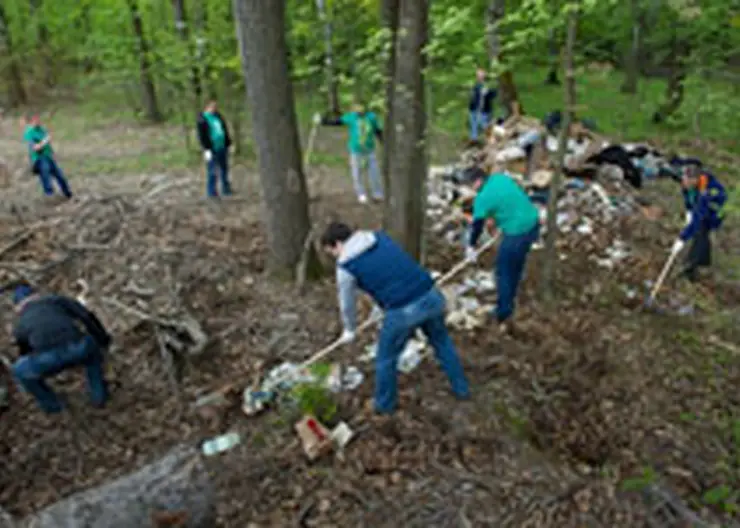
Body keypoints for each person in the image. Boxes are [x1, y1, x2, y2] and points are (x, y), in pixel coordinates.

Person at [320, 222, 470, 415]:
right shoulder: (378, 237)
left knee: (385, 358)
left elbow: (346, 303)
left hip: (403, 309)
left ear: (337, 244)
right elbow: (392, 269)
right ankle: (462, 388)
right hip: (430, 294)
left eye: (331, 252)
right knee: (441, 342)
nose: (334, 257)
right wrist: (379, 306)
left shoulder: (346, 266)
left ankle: (384, 407)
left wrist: (349, 328)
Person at [10, 284, 112, 414]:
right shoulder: (56, 300)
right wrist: (103, 339)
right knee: (92, 353)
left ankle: (53, 406)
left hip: (48, 359)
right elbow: (86, 316)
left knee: (20, 370)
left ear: (18, 307)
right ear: (37, 295)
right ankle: (99, 395)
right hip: (77, 348)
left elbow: (24, 350)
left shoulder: (21, 323)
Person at [464, 167, 540, 333]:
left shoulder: (482, 199)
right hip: (533, 222)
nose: (471, 188)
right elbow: (509, 200)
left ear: (477, 181)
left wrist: (471, 246)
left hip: (517, 232)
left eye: (471, 184)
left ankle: (503, 312)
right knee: (516, 265)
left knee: (503, 271)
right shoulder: (500, 178)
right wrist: (499, 219)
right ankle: (511, 297)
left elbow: (477, 226)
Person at [315, 101, 383, 204]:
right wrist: (322, 121)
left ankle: (377, 193)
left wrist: (383, 141)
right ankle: (361, 193)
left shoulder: (371, 117)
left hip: (369, 150)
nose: (359, 111)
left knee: (374, 172)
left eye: (361, 109)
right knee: (357, 172)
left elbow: (377, 130)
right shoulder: (351, 117)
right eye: (356, 109)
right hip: (356, 150)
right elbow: (337, 122)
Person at [671, 161, 727, 282]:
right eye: (683, 180)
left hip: (716, 210)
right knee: (699, 229)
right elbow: (688, 197)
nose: (684, 183)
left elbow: (699, 217)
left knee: (701, 229)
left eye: (687, 181)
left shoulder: (709, 192)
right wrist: (689, 210)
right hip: (701, 207)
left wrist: (682, 238)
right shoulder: (687, 185)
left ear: (695, 180)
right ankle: (703, 261)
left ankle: (691, 266)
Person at [22, 113, 73, 199]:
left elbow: (48, 144)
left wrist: (52, 153)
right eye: (35, 120)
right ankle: (49, 195)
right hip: (39, 158)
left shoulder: (42, 130)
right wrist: (46, 140)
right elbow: (35, 148)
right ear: (31, 121)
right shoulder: (29, 132)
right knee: (46, 176)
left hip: (48, 156)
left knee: (60, 176)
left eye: (38, 120)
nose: (38, 122)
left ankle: (68, 194)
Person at [196, 100, 233, 198]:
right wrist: (206, 148)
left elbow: (224, 130)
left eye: (215, 106)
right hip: (211, 149)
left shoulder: (219, 117)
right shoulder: (202, 119)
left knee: (224, 168)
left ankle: (226, 188)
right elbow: (201, 135)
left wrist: (228, 143)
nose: (214, 108)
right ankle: (211, 192)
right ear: (207, 107)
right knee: (212, 170)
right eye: (212, 106)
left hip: (222, 146)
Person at [468, 68, 497, 141]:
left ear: (484, 76)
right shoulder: (475, 85)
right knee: (473, 124)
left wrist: (487, 93)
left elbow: (493, 94)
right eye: (478, 75)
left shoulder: (488, 85)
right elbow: (473, 97)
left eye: (481, 75)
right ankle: (474, 139)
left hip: (484, 110)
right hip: (474, 108)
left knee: (484, 125)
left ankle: (492, 136)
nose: (479, 77)